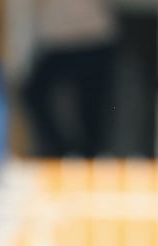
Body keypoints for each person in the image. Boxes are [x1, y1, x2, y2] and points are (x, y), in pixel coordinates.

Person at [20, 0, 117, 158]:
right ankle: (66, 152)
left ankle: (88, 156)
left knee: (92, 107)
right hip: (57, 41)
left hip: (94, 36)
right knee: (34, 94)